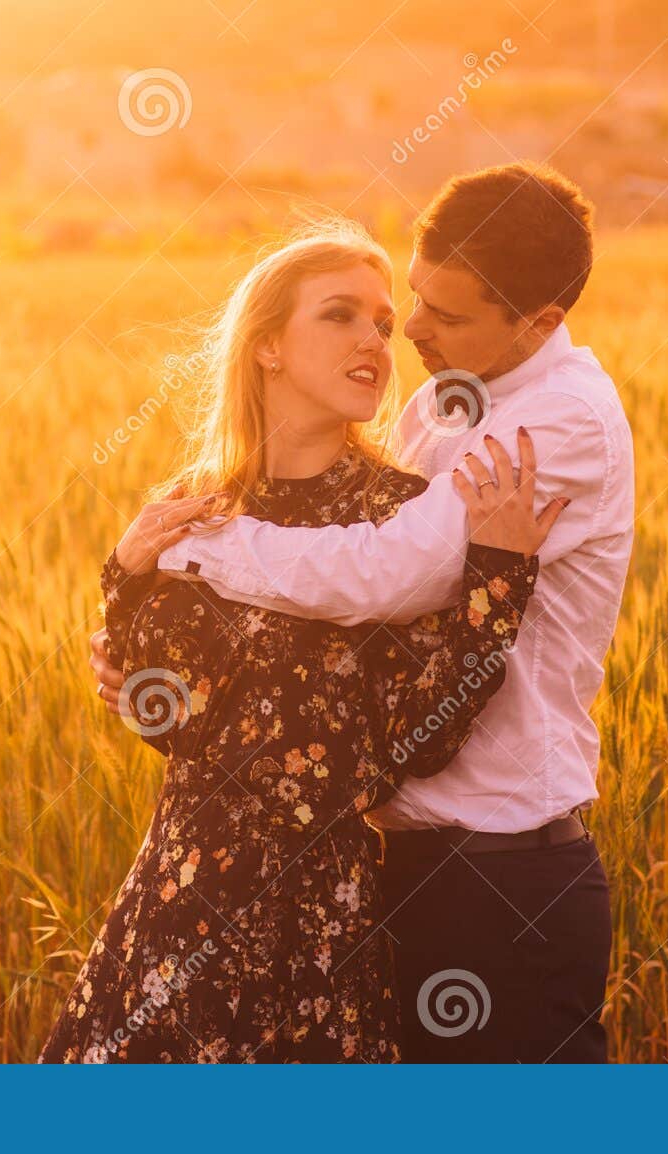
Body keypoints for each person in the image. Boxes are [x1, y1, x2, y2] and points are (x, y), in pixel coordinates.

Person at [95, 162, 634, 1062]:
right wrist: (129, 620)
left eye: (435, 316)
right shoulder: (437, 407)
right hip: (371, 877)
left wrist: (184, 551)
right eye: (405, 304)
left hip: (499, 871)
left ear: (538, 324)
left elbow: (391, 578)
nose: (407, 333)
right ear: (264, 344)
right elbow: (199, 705)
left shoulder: (558, 423)